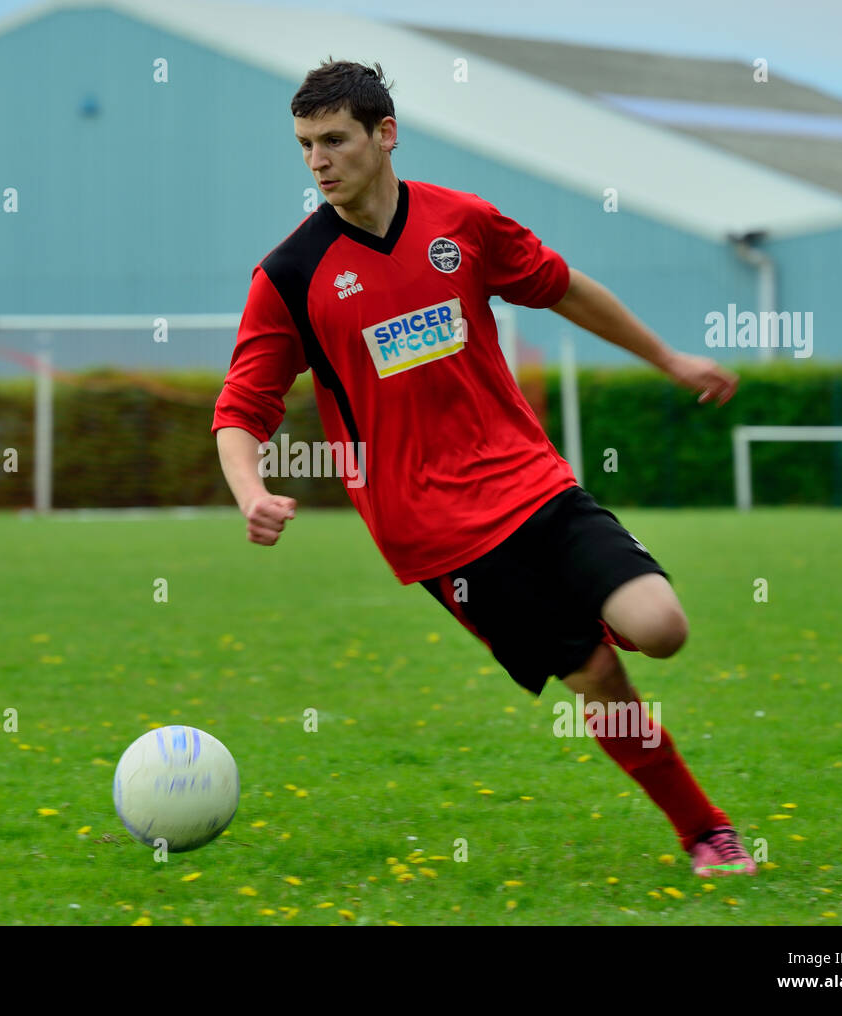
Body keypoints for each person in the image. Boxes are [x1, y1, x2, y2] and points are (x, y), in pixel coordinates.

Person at [212, 60, 755, 877]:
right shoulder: (289, 275)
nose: (318, 161)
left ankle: (590, 619)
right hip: (440, 537)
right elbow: (238, 408)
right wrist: (250, 490)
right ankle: (703, 829)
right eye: (304, 145)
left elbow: (564, 287)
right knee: (600, 679)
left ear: (383, 135)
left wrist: (669, 358)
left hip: (530, 482)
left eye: (334, 140)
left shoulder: (460, 223)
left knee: (662, 629)